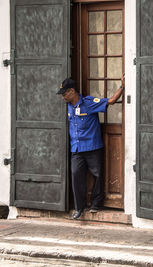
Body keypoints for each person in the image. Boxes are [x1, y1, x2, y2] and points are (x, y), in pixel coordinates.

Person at [57, 75, 124, 219]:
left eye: (64, 94)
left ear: (72, 91)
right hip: (76, 149)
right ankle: (79, 207)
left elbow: (111, 101)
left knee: (97, 175)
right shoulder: (67, 107)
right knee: (76, 176)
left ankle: (95, 203)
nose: (63, 97)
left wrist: (122, 87)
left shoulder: (89, 103)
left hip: (92, 146)